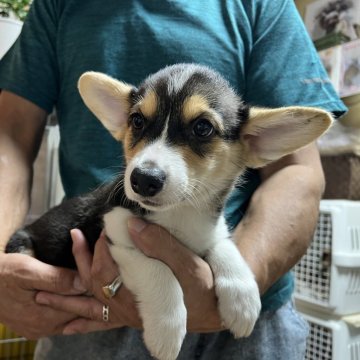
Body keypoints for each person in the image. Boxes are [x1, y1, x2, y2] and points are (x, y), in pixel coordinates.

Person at [0, 0, 346, 359]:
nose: (151, 163)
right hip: (78, 310)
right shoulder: (57, 5)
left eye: (201, 128)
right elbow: (8, 136)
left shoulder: (261, 5)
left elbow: (297, 171)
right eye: (138, 123)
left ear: (252, 141)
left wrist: (243, 279)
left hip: (247, 328)